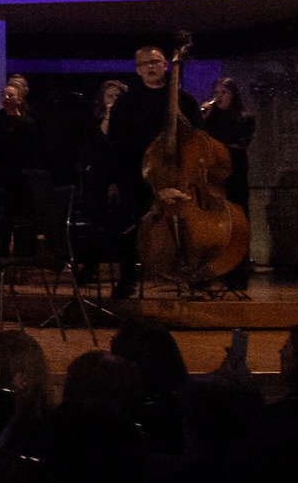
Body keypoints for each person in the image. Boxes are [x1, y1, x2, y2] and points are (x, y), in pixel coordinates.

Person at [105, 43, 199, 297]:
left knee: (186, 224)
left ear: (166, 65)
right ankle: (128, 280)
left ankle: (191, 274)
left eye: (156, 62)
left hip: (177, 175)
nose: (151, 67)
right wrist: (116, 179)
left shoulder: (184, 101)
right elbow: (115, 142)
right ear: (137, 70)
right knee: (131, 228)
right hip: (136, 176)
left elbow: (198, 137)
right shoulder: (126, 103)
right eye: (145, 64)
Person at [201, 76, 258, 292]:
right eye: (215, 92)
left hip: (235, 175)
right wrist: (205, 117)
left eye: (223, 92)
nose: (218, 96)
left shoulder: (245, 117)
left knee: (237, 221)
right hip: (212, 175)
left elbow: (238, 142)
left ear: (233, 94)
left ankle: (238, 271)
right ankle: (210, 269)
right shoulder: (210, 117)